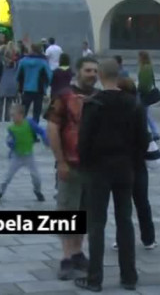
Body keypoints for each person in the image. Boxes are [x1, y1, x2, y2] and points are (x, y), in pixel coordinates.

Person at [74, 59, 148, 292]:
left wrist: (85, 165)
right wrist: (133, 162)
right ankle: (129, 276)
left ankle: (95, 278)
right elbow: (143, 139)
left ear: (100, 75)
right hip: (125, 167)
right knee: (125, 220)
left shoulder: (94, 104)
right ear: (119, 75)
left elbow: (84, 141)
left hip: (98, 169)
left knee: (97, 223)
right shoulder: (133, 103)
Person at [45, 56, 99, 281]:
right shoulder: (64, 96)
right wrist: (61, 161)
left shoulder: (99, 98)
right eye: (88, 70)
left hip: (94, 166)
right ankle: (66, 257)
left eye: (95, 71)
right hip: (70, 163)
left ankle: (78, 253)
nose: (92, 74)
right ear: (78, 71)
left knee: (86, 212)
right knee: (67, 210)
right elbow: (52, 128)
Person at [115, 77, 157, 251]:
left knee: (122, 204)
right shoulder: (139, 109)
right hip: (137, 163)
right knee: (142, 202)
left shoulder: (114, 112)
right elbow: (145, 137)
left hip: (121, 163)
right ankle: (148, 239)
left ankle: (122, 239)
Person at [0, 104, 48, 203]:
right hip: (16, 156)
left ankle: (37, 191)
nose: (12, 118)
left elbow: (40, 130)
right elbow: (9, 140)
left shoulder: (29, 123)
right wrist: (10, 143)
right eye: (11, 115)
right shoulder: (11, 128)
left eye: (13, 115)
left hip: (29, 156)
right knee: (7, 176)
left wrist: (45, 137)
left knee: (36, 177)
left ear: (21, 115)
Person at [18, 44, 52, 123]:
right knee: (36, 112)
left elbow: (18, 75)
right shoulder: (43, 62)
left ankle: (21, 126)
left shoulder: (23, 61)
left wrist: (19, 86)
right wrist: (46, 86)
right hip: (39, 89)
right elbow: (49, 75)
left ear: (31, 50)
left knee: (24, 111)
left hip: (26, 89)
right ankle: (35, 127)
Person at [137, 51, 160, 141]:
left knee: (144, 114)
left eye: (139, 57)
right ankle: (154, 132)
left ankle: (152, 132)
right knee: (146, 114)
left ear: (142, 58)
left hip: (144, 93)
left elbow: (144, 83)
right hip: (146, 92)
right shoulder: (149, 67)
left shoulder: (145, 68)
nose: (138, 59)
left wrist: (139, 90)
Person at [0, 43, 19, 122]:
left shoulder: (3, 61)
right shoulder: (16, 62)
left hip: (3, 81)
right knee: (9, 101)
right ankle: (7, 117)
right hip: (12, 81)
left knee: (0, 100)